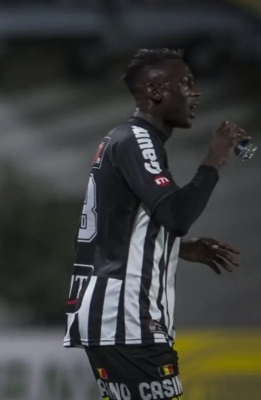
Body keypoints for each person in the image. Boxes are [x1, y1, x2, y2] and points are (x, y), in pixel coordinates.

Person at [63, 48, 245, 400]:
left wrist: (176, 247)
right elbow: (176, 216)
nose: (196, 93)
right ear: (156, 91)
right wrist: (214, 159)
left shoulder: (122, 139)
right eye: (186, 83)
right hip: (128, 319)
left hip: (111, 319)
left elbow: (111, 229)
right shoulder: (137, 139)